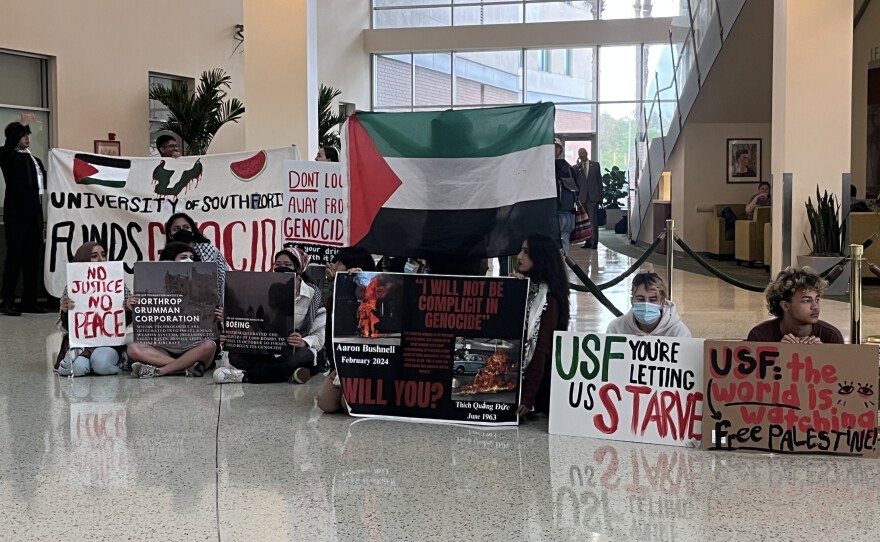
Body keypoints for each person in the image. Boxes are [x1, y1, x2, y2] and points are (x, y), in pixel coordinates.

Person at [212, 252, 327, 385]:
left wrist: (303, 342)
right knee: (236, 355)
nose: (281, 268)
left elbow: (319, 334)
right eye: (277, 264)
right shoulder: (267, 290)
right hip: (267, 349)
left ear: (299, 268)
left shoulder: (314, 295)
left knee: (304, 356)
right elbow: (253, 324)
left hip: (294, 350)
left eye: (288, 265)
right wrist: (231, 332)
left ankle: (243, 376)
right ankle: (287, 373)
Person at [128, 241, 221, 378]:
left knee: (209, 345)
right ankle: (186, 367)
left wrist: (220, 317)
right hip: (162, 350)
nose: (189, 260)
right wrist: (133, 306)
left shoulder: (207, 290)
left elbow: (213, 333)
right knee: (133, 349)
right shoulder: (152, 288)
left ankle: (161, 371)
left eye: (191, 257)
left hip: (194, 349)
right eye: (183, 257)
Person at [56, 242, 137, 377]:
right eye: (94, 256)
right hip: (81, 344)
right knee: (77, 369)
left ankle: (107, 362)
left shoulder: (117, 284)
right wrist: (65, 312)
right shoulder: (72, 286)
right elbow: (68, 327)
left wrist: (128, 309)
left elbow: (123, 324)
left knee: (102, 365)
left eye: (103, 255)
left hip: (109, 343)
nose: (101, 259)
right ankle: (84, 362)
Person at [513, 233, 570, 417]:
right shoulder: (528, 286)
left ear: (540, 257)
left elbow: (541, 348)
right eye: (521, 250)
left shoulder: (548, 298)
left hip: (537, 390)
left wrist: (528, 397)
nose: (519, 256)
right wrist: (510, 290)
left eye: (526, 252)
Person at [316, 247, 377, 413]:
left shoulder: (374, 291)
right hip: (343, 361)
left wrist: (360, 283)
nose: (334, 265)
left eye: (340, 262)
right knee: (326, 403)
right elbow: (332, 334)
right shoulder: (335, 293)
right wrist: (337, 285)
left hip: (369, 364)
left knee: (348, 403)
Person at [0, 119, 45, 316]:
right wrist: (21, 123)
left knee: (32, 261)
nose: (27, 137)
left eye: (28, 134)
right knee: (15, 258)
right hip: (16, 216)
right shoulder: (8, 156)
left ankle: (29, 301)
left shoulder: (35, 160)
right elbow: (6, 150)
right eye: (22, 134)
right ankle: (7, 301)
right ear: (13, 137)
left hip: (34, 217)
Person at [747, 267, 843, 344]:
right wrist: (779, 354)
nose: (815, 307)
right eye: (806, 301)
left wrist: (825, 355)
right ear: (785, 306)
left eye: (817, 300)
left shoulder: (831, 337)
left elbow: (844, 367)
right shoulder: (760, 337)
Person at [606, 272, 691, 337]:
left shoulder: (679, 333)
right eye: (640, 299)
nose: (646, 304)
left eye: (653, 299)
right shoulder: (615, 328)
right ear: (632, 301)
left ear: (662, 303)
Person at [164, 212, 230, 296]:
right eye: (176, 229)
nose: (182, 231)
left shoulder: (209, 250)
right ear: (170, 235)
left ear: (192, 231)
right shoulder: (167, 255)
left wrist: (224, 307)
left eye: (186, 227)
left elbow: (225, 280)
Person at [574, 147, 603, 249]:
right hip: (582, 198)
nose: (582, 155)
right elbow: (573, 178)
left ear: (586, 153)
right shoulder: (577, 168)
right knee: (585, 221)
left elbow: (599, 181)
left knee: (593, 220)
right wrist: (577, 166)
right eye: (580, 154)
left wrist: (601, 197)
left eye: (583, 153)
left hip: (593, 197)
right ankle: (588, 242)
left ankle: (594, 241)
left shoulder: (595, 165)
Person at [554, 138, 578, 255]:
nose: (554, 149)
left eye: (556, 147)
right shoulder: (567, 167)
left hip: (563, 209)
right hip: (563, 209)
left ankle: (561, 262)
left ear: (560, 150)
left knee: (563, 236)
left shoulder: (565, 167)